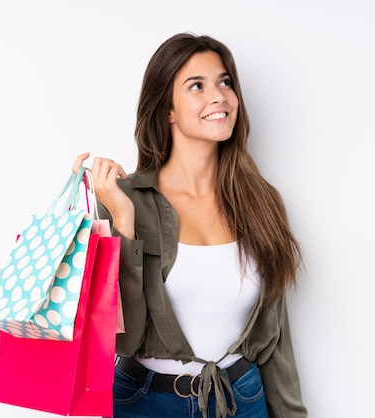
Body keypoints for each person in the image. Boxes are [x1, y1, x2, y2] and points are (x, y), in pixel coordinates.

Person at [72, 33, 307, 418]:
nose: (218, 96)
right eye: (196, 85)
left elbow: (275, 338)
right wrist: (124, 220)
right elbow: (123, 339)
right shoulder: (119, 199)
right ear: (168, 110)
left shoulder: (262, 201)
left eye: (224, 82)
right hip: (145, 403)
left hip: (242, 399)